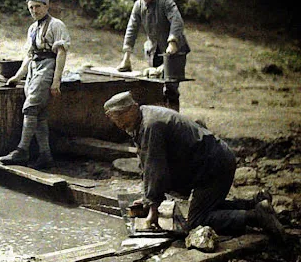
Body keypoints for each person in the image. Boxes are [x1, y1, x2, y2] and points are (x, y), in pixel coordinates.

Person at [103, 91, 286, 240]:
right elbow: (147, 164)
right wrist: (147, 199)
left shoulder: (151, 125)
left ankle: (255, 216)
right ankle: (254, 203)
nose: (117, 123)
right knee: (206, 206)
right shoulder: (142, 119)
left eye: (120, 117)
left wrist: (153, 210)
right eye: (113, 119)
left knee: (197, 221)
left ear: (132, 109)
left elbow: (155, 170)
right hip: (210, 160)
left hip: (213, 165)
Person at [0, 0, 70, 169]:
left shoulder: (56, 25)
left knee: (30, 108)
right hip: (33, 70)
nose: (34, 11)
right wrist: (17, 77)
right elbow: (29, 56)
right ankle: (46, 155)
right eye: (31, 7)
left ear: (46, 6)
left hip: (48, 68)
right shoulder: (32, 29)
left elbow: (61, 54)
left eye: (38, 6)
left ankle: (22, 150)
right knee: (39, 115)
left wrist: (56, 81)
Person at [116, 0, 190, 111]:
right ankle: (158, 120)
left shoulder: (165, 1)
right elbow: (132, 28)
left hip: (173, 51)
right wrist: (126, 56)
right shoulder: (138, 6)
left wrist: (173, 41)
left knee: (171, 88)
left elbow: (177, 20)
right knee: (153, 86)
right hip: (154, 51)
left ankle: (173, 120)